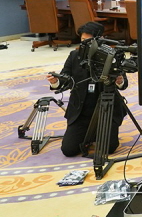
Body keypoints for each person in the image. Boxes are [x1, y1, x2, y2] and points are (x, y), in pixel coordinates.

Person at [46, 22, 129, 157]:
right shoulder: (74, 55)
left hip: (106, 110)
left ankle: (98, 133)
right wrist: (56, 81)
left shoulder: (111, 55)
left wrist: (119, 81)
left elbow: (123, 84)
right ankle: (89, 134)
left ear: (99, 39)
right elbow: (65, 78)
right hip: (81, 112)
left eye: (88, 41)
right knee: (69, 150)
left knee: (108, 148)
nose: (84, 44)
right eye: (83, 40)